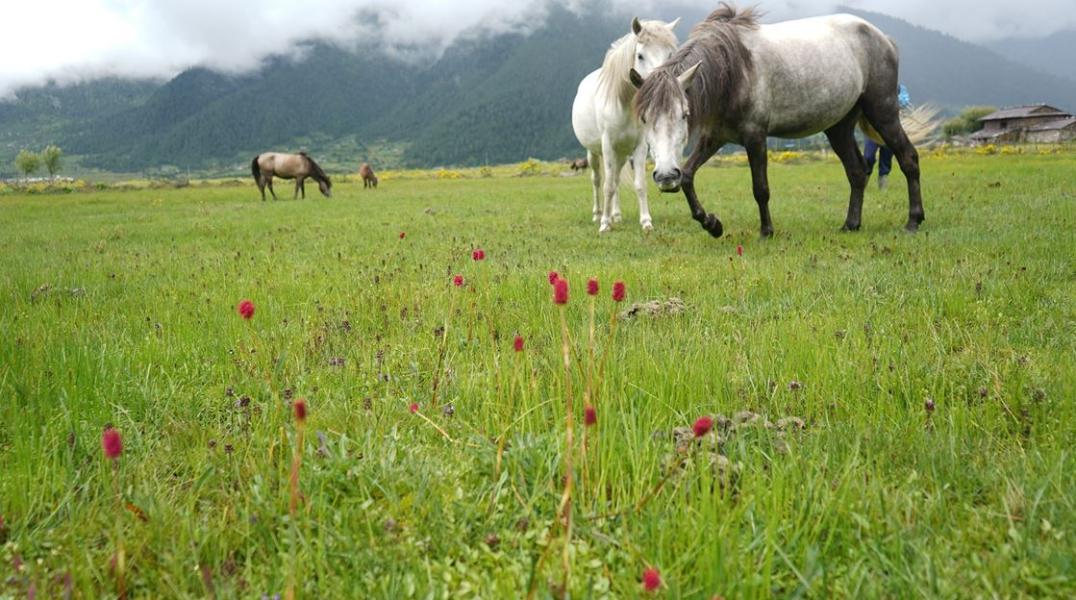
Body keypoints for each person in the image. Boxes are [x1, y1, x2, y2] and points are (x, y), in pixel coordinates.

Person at [865, 85, 911, 190]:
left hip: (890, 129)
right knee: (868, 156)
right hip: (872, 128)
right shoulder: (872, 86)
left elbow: (905, 101)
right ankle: (863, 184)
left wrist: (891, 100)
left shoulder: (899, 87)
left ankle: (883, 186)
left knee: (886, 158)